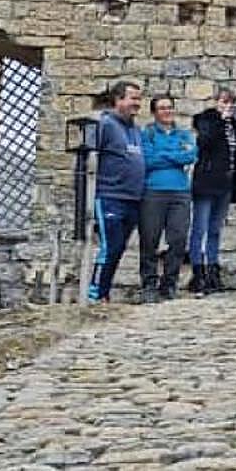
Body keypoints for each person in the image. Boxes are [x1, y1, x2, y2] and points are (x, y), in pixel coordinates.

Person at [87, 81, 145, 304]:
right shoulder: (105, 124)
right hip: (109, 197)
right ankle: (95, 295)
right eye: (133, 98)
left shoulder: (135, 130)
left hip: (132, 198)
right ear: (118, 99)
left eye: (139, 99)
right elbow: (89, 157)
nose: (137, 103)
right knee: (110, 247)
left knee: (118, 248)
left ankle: (104, 292)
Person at [138, 95, 196, 303]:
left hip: (180, 191)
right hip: (153, 191)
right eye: (162, 108)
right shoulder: (147, 134)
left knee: (178, 239)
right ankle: (149, 284)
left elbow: (190, 156)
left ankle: (169, 283)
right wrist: (174, 155)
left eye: (170, 107)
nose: (167, 111)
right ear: (154, 112)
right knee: (149, 240)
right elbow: (147, 160)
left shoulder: (184, 134)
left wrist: (162, 154)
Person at [189, 87, 236, 294]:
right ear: (216, 102)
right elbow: (204, 142)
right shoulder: (205, 120)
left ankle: (213, 271)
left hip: (226, 183)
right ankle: (198, 272)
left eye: (231, 102)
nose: (227, 106)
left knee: (215, 229)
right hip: (207, 180)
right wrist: (220, 120)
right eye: (223, 101)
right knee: (200, 228)